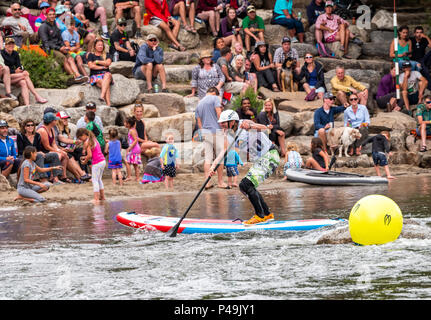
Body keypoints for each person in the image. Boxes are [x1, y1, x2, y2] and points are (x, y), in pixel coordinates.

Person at [209, 110, 280, 225]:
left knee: (246, 184)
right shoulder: (229, 135)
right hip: (261, 160)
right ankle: (266, 214)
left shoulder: (244, 123)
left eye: (223, 123)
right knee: (244, 187)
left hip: (270, 155)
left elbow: (265, 128)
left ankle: (260, 215)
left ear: (232, 122)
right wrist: (213, 166)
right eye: (220, 123)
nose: (221, 125)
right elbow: (224, 151)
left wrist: (251, 125)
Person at [38, 7, 88, 83]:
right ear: (47, 16)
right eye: (50, 14)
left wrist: (64, 46)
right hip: (49, 49)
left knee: (70, 58)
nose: (52, 16)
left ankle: (78, 75)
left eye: (53, 14)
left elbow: (60, 39)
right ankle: (73, 76)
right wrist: (59, 48)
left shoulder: (56, 25)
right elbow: (46, 42)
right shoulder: (43, 26)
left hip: (59, 47)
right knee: (63, 58)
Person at [194, 87, 228, 189]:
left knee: (208, 158)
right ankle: (220, 182)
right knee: (220, 156)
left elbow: (198, 121)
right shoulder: (215, 99)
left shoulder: (199, 103)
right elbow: (219, 114)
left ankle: (207, 182)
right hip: (216, 131)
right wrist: (223, 128)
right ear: (215, 93)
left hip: (205, 132)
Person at [1, 37, 48, 106]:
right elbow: (4, 68)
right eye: (9, 44)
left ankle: (27, 105)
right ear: (5, 45)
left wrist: (22, 70)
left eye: (12, 44)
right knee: (25, 75)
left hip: (13, 76)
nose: (11, 46)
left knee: (23, 82)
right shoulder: (2, 53)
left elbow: (19, 66)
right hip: (5, 76)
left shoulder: (15, 53)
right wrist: (15, 71)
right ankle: (36, 95)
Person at [56, 111, 91, 182]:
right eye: (64, 119)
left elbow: (70, 141)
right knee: (69, 156)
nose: (66, 120)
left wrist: (72, 147)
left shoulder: (67, 129)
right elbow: (55, 144)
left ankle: (85, 172)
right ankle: (81, 175)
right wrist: (62, 149)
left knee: (81, 151)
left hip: (67, 149)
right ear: (59, 120)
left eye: (66, 118)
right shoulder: (56, 130)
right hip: (60, 150)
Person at [76, 128, 106, 204]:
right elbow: (94, 153)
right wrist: (84, 157)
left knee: (95, 180)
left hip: (97, 163)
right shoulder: (93, 139)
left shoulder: (87, 142)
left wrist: (85, 161)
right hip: (102, 161)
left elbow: (89, 155)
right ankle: (102, 197)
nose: (81, 140)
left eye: (80, 138)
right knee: (99, 179)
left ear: (84, 135)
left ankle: (96, 199)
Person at [36, 112, 68, 184]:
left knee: (65, 155)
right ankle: (53, 177)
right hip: (42, 151)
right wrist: (58, 152)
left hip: (48, 150)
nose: (56, 121)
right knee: (58, 155)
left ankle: (63, 176)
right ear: (51, 122)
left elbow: (53, 143)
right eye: (55, 120)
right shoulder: (42, 130)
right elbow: (46, 146)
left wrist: (58, 150)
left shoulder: (52, 129)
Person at [87, 37, 113, 106]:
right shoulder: (91, 55)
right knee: (105, 84)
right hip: (95, 76)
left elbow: (108, 63)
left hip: (106, 75)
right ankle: (108, 104)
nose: (100, 46)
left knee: (107, 75)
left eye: (101, 45)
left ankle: (102, 96)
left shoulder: (107, 54)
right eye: (99, 45)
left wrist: (97, 61)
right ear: (95, 46)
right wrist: (102, 67)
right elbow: (91, 66)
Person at [123, 116, 141, 182]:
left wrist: (130, 148)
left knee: (127, 162)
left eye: (125, 122)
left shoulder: (131, 131)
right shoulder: (133, 129)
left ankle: (129, 176)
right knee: (135, 164)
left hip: (133, 149)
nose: (124, 123)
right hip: (136, 148)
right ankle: (137, 178)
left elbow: (136, 140)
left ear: (129, 124)